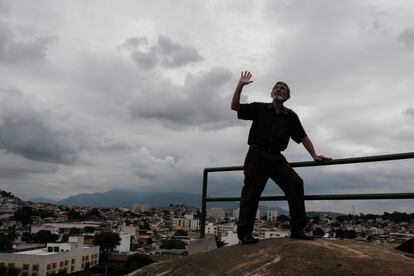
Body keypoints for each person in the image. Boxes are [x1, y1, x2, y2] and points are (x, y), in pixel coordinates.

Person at [231, 71, 331, 245]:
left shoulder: (290, 116)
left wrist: (314, 155)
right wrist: (240, 85)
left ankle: (298, 229)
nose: (279, 89)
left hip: (276, 156)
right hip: (257, 154)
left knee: (296, 183)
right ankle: (245, 234)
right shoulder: (259, 108)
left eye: (283, 88)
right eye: (276, 87)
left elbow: (302, 137)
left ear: (287, 96)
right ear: (272, 93)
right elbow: (235, 107)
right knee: (251, 194)